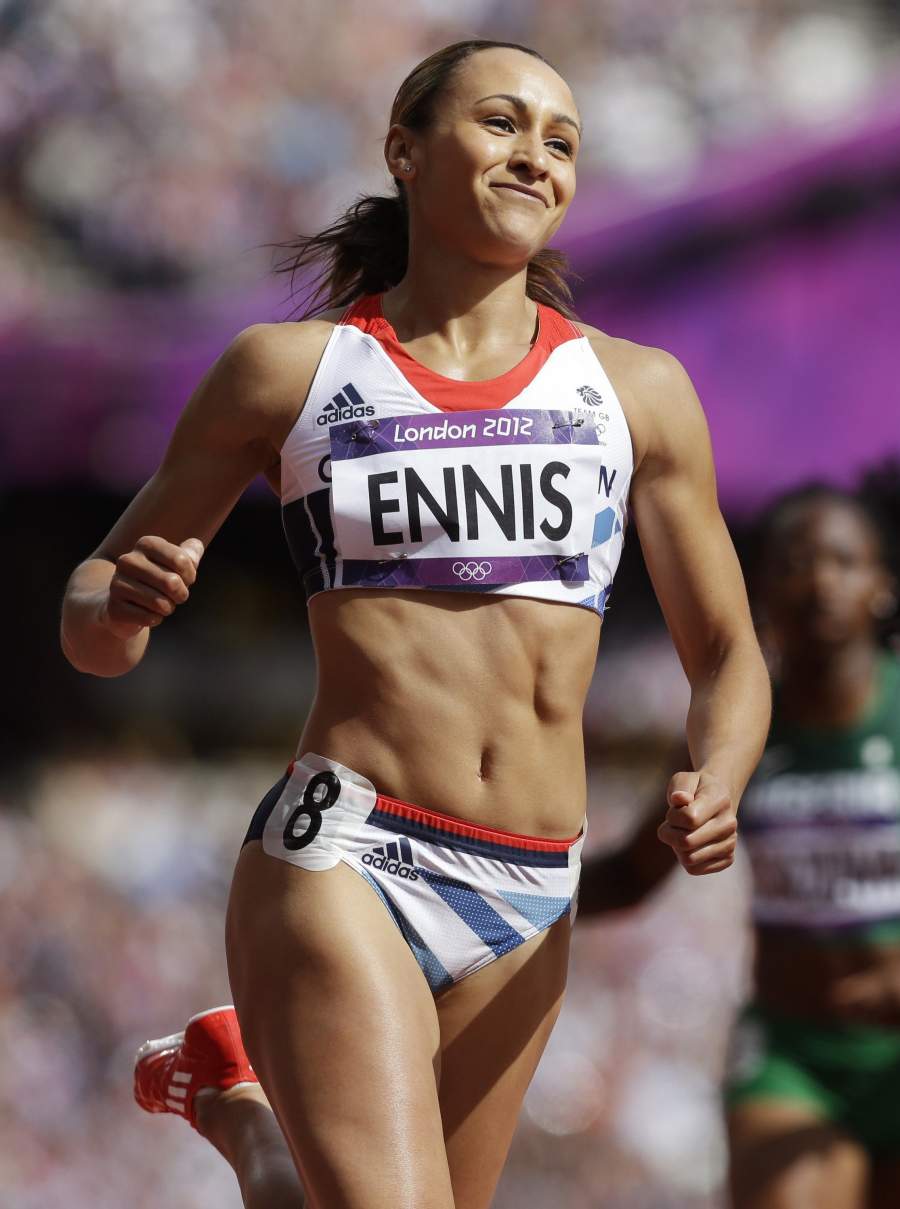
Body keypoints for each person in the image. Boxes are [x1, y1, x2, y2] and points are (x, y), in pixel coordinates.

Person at [60, 38, 770, 1209]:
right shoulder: (289, 373)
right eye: (501, 123)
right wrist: (121, 607)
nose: (536, 156)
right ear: (405, 148)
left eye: (562, 141)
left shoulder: (636, 391)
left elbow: (731, 651)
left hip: (532, 886)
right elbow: (92, 620)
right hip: (350, 853)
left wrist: (722, 772)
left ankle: (240, 1107)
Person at [725, 486, 900, 1209]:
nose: (822, 580)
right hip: (794, 1053)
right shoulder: (738, 727)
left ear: (882, 585)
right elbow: (633, 874)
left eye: (844, 561)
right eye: (797, 562)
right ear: (762, 590)